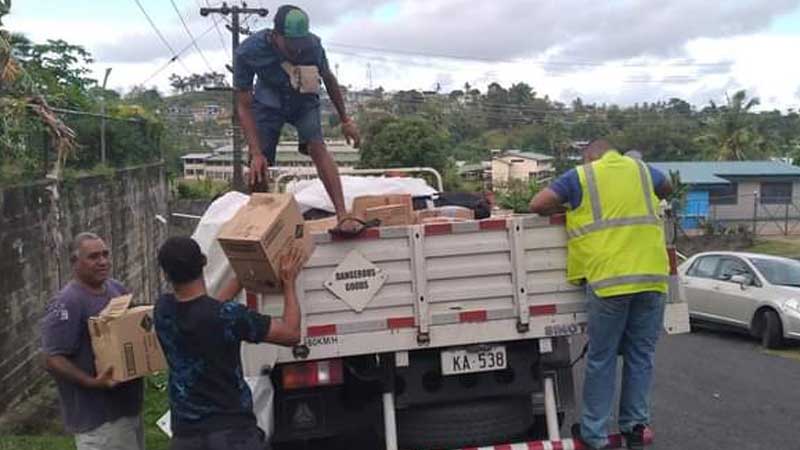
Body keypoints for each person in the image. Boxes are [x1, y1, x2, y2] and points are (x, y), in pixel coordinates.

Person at [529, 140, 672, 450]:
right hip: (652, 278)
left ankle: (594, 435)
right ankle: (635, 427)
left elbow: (537, 204)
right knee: (640, 356)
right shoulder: (642, 170)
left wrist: (567, 208)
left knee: (602, 358)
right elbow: (668, 185)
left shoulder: (581, 176)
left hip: (610, 281)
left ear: (589, 155)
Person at [154, 236, 304, 450]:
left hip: (185, 436)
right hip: (232, 433)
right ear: (203, 262)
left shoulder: (163, 311)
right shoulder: (229, 317)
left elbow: (206, 310)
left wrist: (239, 280)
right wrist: (289, 283)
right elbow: (290, 333)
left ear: (166, 274)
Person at [234, 4, 360, 233]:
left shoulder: (313, 45)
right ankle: (261, 226)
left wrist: (345, 119)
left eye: (301, 45)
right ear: (276, 36)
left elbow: (329, 79)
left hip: (304, 99)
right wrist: (255, 152)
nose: (297, 51)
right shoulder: (248, 51)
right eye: (291, 45)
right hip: (268, 101)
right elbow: (244, 105)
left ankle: (343, 215)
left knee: (317, 147)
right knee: (257, 166)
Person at [41, 232, 144, 450]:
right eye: (94, 257)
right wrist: (92, 382)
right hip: (98, 419)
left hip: (128, 409)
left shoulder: (116, 289)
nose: (103, 261)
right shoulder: (67, 303)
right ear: (75, 262)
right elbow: (53, 359)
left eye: (105, 254)